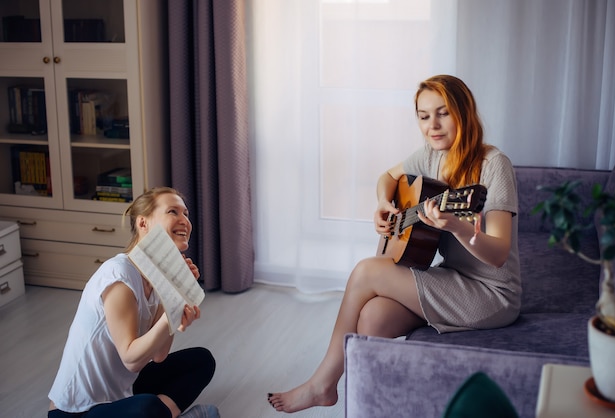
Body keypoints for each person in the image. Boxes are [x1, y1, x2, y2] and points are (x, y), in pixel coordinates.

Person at [268, 74, 521, 413]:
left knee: (366, 271)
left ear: (464, 112)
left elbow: (499, 255)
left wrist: (458, 228)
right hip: (452, 278)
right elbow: (387, 178)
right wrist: (384, 204)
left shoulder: (493, 165)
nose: (433, 125)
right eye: (423, 115)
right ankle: (370, 405)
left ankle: (323, 383)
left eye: (443, 113)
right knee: (373, 317)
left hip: (491, 294)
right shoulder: (431, 155)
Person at [48, 187, 219, 418]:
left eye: (186, 214)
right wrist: (170, 315)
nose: (184, 221)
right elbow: (131, 359)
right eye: (173, 211)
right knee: (147, 408)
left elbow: (159, 356)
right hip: (76, 410)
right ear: (143, 223)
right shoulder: (119, 274)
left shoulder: (156, 276)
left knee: (202, 360)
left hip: (121, 391)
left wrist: (174, 294)